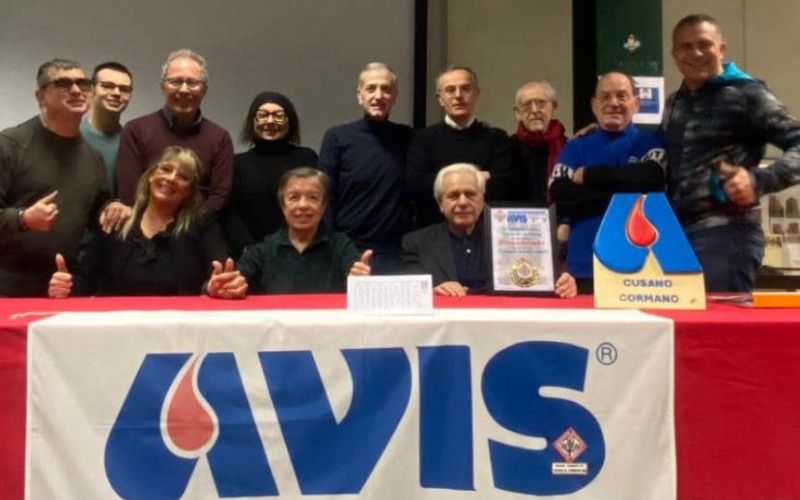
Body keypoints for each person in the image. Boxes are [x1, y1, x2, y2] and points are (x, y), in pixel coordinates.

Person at [664, 14, 800, 292]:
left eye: (704, 44)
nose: (696, 53)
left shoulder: (747, 94)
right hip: (674, 237)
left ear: (721, 49)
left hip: (726, 235)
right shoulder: (674, 102)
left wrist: (759, 180)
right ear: (675, 54)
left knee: (717, 321)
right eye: (686, 47)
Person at [0, 58, 129, 297]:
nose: (77, 90)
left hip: (60, 284)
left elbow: (96, 212)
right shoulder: (9, 145)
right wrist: (23, 218)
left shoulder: (93, 157)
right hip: (7, 286)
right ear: (41, 96)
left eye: (83, 83)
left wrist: (112, 209)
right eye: (63, 84)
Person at [48, 146, 245, 298]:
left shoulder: (203, 226)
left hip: (179, 329)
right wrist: (67, 286)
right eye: (165, 169)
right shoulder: (117, 222)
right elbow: (86, 280)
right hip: (117, 328)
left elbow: (219, 277)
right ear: (151, 176)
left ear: (189, 192)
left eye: (183, 177)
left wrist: (219, 287)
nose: (171, 178)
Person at [549, 71, 666, 292]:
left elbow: (651, 180)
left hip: (642, 266)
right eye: (605, 97)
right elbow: (560, 195)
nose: (613, 103)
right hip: (583, 267)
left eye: (622, 96)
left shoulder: (650, 143)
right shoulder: (575, 147)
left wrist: (590, 177)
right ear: (594, 105)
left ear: (636, 103)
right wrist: (629, 193)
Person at [402, 163, 577, 297]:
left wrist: (563, 283)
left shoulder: (516, 237)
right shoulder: (417, 243)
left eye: (470, 194)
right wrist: (432, 291)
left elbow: (541, 278)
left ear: (482, 200)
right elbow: (408, 290)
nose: (462, 202)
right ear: (441, 204)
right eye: (453, 196)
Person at [318, 62, 412, 273]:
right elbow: (325, 197)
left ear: (395, 96)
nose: (378, 96)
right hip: (347, 248)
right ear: (359, 95)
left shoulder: (408, 137)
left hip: (397, 251)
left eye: (386, 89)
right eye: (371, 88)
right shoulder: (337, 137)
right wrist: (330, 248)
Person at [115, 49, 233, 215]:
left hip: (198, 227)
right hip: (143, 225)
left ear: (204, 90)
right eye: (176, 82)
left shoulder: (220, 138)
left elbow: (219, 197)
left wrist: (187, 227)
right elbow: (129, 193)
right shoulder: (136, 130)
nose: (184, 89)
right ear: (163, 87)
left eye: (192, 83)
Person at [406, 66, 514, 228]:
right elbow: (416, 186)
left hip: (484, 230)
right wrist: (479, 176)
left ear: (476, 94)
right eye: (450, 90)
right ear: (440, 98)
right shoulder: (422, 138)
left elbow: (502, 187)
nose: (458, 95)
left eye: (465, 89)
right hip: (433, 230)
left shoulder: (497, 138)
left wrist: (441, 181)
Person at [237, 168, 371, 293]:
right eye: (294, 197)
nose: (303, 205)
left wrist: (359, 281)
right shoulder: (263, 251)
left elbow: (356, 282)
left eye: (313, 197)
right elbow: (236, 282)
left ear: (323, 206)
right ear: (283, 206)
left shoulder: (341, 246)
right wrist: (231, 285)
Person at [223, 91, 318, 258]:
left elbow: (318, 203)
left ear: (290, 121)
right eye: (263, 115)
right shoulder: (237, 163)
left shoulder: (307, 157)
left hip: (302, 252)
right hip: (251, 255)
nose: (270, 121)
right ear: (253, 121)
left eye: (278, 115)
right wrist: (246, 248)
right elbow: (230, 212)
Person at [510, 80, 567, 204]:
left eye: (541, 103)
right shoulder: (506, 149)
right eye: (527, 105)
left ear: (553, 108)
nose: (534, 110)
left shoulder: (568, 148)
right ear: (517, 113)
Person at [80, 61, 133, 192]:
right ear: (91, 90)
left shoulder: (131, 142)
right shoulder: (71, 135)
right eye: (107, 86)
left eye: (124, 89)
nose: (116, 93)